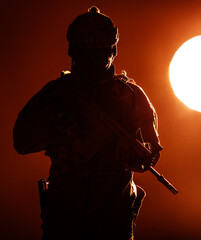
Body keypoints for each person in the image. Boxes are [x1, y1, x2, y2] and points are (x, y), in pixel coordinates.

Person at [13, 6, 162, 240]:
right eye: (86, 52)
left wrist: (134, 156)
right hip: (64, 219)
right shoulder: (55, 94)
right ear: (73, 51)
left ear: (112, 50)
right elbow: (21, 142)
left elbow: (151, 152)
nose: (93, 59)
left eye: (100, 52)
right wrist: (59, 128)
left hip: (113, 219)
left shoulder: (130, 96)